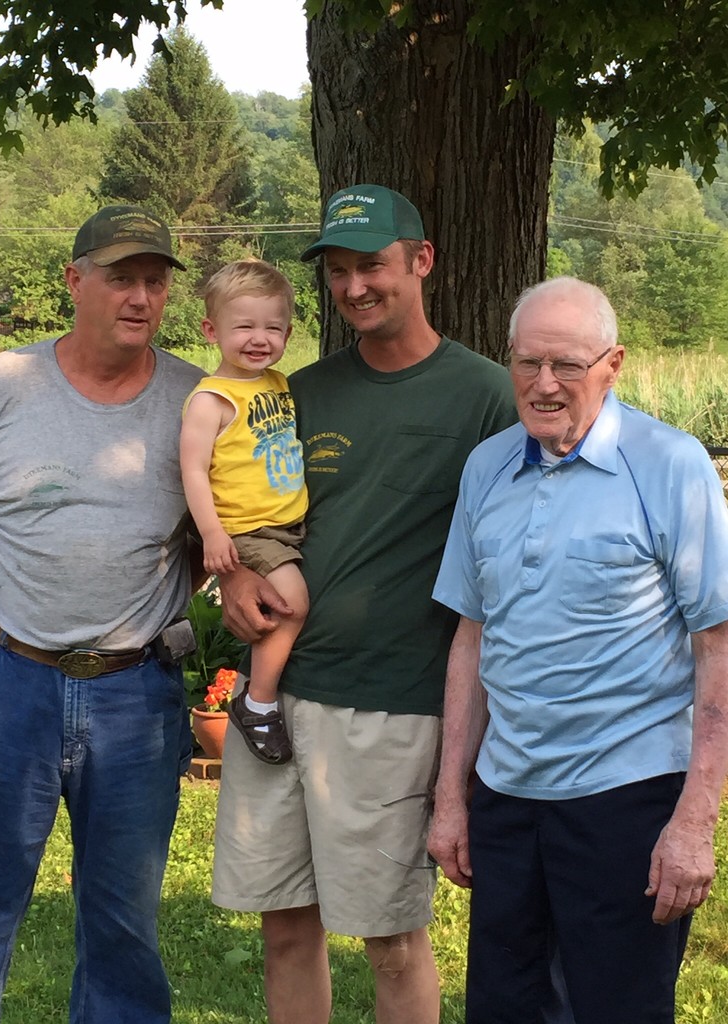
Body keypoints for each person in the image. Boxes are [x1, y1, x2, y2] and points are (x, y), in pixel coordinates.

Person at [210, 184, 517, 1024]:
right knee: (285, 929)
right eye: (338, 271)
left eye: (371, 265)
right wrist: (235, 578)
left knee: (391, 941)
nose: (354, 287)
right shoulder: (297, 392)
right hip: (277, 695)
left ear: (421, 261)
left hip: (392, 704)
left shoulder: (486, 396)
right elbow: (247, 503)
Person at [429, 276, 728, 1024]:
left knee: (616, 1008)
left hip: (626, 799)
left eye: (566, 364)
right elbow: (471, 637)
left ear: (612, 365)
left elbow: (718, 646)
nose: (544, 384)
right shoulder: (487, 466)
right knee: (503, 1007)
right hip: (506, 797)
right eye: (527, 362)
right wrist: (451, 798)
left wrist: (695, 822)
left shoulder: (671, 464)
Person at [0, 205, 206, 1024]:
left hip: (136, 692)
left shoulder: (195, 401)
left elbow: (218, 533)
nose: (141, 297)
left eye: (155, 281)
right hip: (6, 682)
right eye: (121, 278)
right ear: (74, 281)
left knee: (124, 923)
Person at [180, 260, 308, 765]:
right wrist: (212, 534)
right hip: (248, 528)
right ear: (212, 331)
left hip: (289, 523)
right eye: (244, 327)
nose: (259, 339)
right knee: (292, 604)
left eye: (273, 328)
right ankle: (257, 703)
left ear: (288, 334)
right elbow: (193, 471)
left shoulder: (276, 382)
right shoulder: (211, 399)